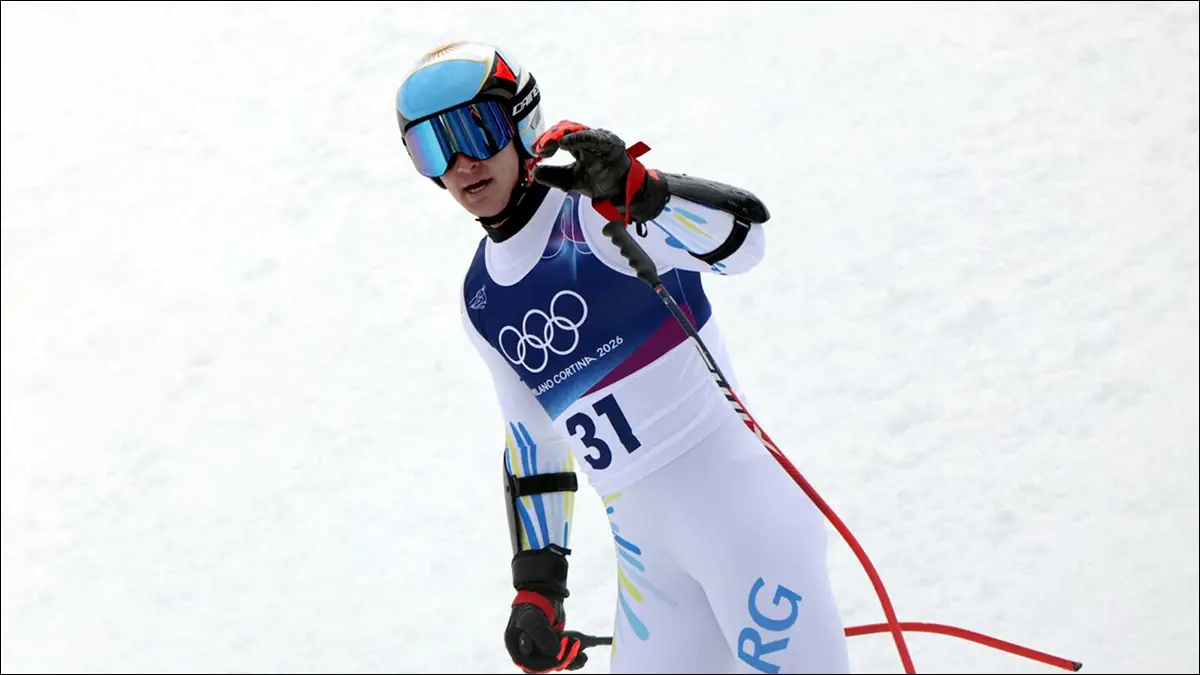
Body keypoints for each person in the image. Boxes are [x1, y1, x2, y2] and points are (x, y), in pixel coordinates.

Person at [394, 41, 853, 674]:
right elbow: (534, 444)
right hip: (648, 566)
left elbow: (745, 243)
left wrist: (647, 193)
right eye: (432, 147)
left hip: (747, 529)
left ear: (523, 122)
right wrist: (538, 587)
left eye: (476, 131)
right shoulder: (481, 297)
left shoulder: (595, 212)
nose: (461, 162)